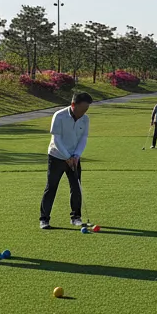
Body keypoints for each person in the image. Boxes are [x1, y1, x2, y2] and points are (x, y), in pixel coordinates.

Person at [41, 92, 92, 230]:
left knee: (76, 187)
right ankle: (44, 219)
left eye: (86, 110)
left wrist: (76, 156)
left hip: (74, 157)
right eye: (81, 109)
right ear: (73, 104)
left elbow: (83, 139)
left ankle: (76, 217)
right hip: (57, 156)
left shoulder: (85, 119)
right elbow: (56, 139)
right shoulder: (59, 116)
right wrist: (67, 156)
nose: (83, 113)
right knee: (51, 187)